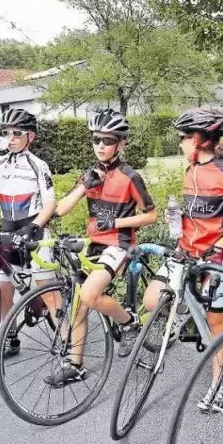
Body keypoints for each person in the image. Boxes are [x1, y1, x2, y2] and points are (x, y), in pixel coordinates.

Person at [143, 107, 223, 410]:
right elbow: (193, 212)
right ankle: (185, 314)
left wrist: (219, 247)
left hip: (217, 256)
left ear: (200, 139)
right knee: (153, 299)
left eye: (183, 138)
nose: (179, 143)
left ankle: (220, 384)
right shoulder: (190, 169)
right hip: (187, 251)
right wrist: (173, 218)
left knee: (216, 321)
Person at [52, 108, 156, 385]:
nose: (101, 145)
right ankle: (75, 365)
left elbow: (151, 215)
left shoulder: (130, 177)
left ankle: (129, 321)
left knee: (89, 294)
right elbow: (61, 209)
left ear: (121, 144)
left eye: (108, 140)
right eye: (96, 139)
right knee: (78, 306)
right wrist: (82, 187)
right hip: (93, 244)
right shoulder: (90, 175)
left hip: (118, 245)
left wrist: (118, 221)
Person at [0, 108, 60, 357]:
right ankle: (9, 338)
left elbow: (50, 204)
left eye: (17, 133)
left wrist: (34, 227)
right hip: (8, 233)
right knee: (4, 291)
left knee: (49, 295)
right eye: (6, 133)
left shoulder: (38, 165)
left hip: (34, 233)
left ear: (31, 136)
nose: (10, 138)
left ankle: (67, 344)